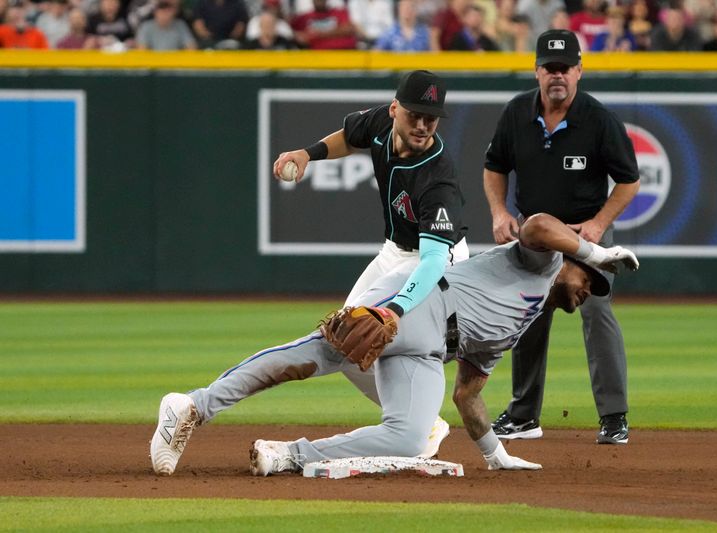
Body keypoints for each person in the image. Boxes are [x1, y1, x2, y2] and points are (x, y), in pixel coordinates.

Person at [149, 213, 639, 476]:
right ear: (574, 259)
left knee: (411, 438)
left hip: (429, 355)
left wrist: (494, 453)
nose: (589, 289)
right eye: (591, 279)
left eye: (597, 288)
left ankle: (288, 456)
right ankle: (191, 406)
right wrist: (592, 249)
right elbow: (535, 225)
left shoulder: (521, 323)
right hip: (419, 303)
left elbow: (467, 393)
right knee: (314, 356)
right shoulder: (543, 263)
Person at [273, 70, 469, 459]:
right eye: (415, 114)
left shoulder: (438, 173)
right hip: (394, 251)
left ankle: (414, 424)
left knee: (368, 336)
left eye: (431, 117)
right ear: (396, 109)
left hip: (437, 257)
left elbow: (432, 261)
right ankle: (423, 423)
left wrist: (395, 308)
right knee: (342, 338)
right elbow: (350, 138)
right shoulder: (381, 121)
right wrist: (307, 153)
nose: (423, 125)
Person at [484, 29, 640, 445]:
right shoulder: (517, 114)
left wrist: (599, 224)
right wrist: (499, 211)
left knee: (597, 314)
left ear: (579, 71)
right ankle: (523, 415)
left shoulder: (599, 119)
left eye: (565, 68)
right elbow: (494, 165)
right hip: (535, 237)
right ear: (536, 71)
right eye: (550, 68)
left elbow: (629, 180)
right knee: (529, 314)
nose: (558, 76)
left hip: (584, 237)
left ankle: (613, 416)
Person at [290, 0, 357, 49]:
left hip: (344, 53)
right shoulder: (304, 18)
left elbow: (349, 29)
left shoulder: (339, 12)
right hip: (316, 57)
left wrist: (319, 34)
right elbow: (292, 33)